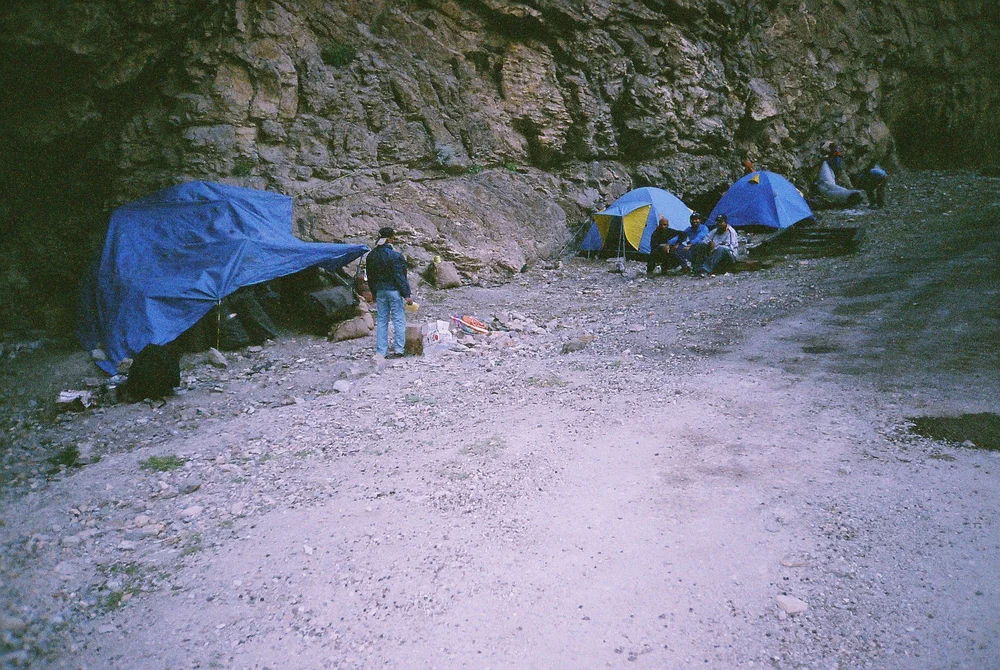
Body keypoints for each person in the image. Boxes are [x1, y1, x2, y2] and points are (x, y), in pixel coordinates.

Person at [365, 226, 413, 358]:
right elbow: (400, 277)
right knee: (398, 319)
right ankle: (399, 349)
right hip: (394, 291)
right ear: (390, 239)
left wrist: (373, 293)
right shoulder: (396, 256)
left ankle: (381, 351)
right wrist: (407, 295)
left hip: (380, 291)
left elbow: (370, 277)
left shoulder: (371, 256)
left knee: (381, 320)